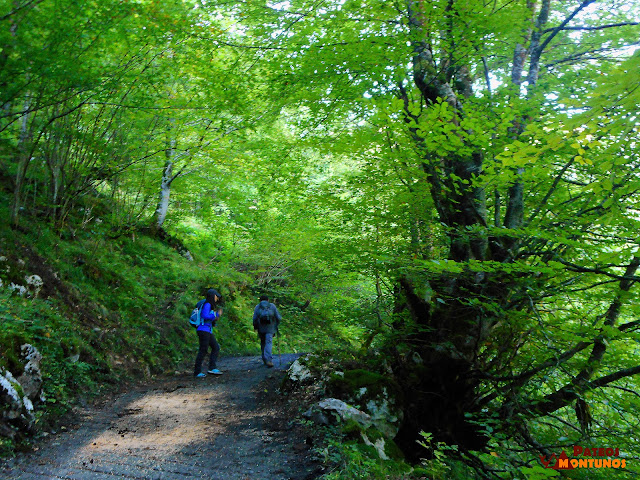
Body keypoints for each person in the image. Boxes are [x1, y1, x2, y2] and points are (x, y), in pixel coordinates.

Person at [194, 288, 223, 378]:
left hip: (207, 330)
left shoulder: (208, 304)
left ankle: (212, 367)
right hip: (204, 330)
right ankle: (197, 372)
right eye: (216, 296)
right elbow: (205, 315)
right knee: (203, 350)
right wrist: (216, 315)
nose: (217, 298)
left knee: (215, 347)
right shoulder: (207, 304)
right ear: (212, 295)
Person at [252, 295, 281, 368]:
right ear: (268, 300)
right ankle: (269, 360)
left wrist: (255, 327)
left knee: (263, 342)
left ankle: (264, 359)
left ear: (260, 300)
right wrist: (276, 326)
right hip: (270, 328)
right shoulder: (272, 306)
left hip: (261, 328)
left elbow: (255, 318)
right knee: (269, 342)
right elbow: (278, 317)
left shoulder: (258, 307)